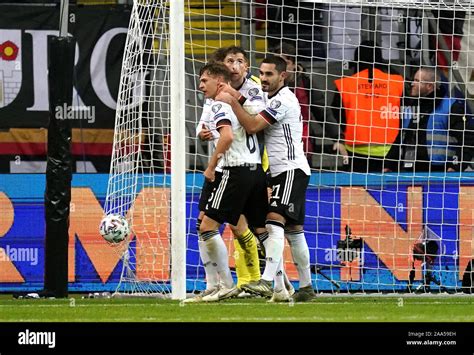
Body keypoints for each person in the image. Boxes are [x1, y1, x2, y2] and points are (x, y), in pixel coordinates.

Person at [217, 56, 316, 302]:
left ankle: (267, 280)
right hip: (282, 171)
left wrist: (231, 99)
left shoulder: (283, 100)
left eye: (269, 74)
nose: (263, 78)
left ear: (283, 76)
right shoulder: (270, 98)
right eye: (261, 73)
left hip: (291, 169)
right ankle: (306, 287)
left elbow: (251, 125)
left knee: (273, 221)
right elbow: (248, 103)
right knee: (294, 230)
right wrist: (231, 92)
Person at [194, 62, 270, 302]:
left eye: (205, 80)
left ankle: (225, 285)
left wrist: (210, 165)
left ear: (219, 81)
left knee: (207, 227)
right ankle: (277, 283)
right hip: (254, 168)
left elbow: (226, 136)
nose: (200, 85)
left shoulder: (221, 103)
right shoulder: (235, 105)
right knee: (257, 229)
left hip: (233, 170)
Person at [330, 41, 404, 172]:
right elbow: (405, 113)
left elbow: (336, 113)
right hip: (390, 152)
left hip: (355, 152)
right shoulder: (397, 82)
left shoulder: (345, 84)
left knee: (355, 191)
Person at [397, 66, 473, 172]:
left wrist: (456, 166)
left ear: (429, 86)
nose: (412, 84)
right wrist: (389, 165)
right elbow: (400, 138)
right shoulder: (411, 108)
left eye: (417, 81)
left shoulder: (451, 106)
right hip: (409, 171)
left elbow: (468, 139)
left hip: (440, 172)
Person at [272, 43, 339, 162]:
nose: (280, 67)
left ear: (294, 64)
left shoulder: (305, 83)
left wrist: (338, 139)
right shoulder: (266, 84)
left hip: (302, 145)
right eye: (277, 63)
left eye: (285, 63)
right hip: (275, 146)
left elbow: (322, 112)